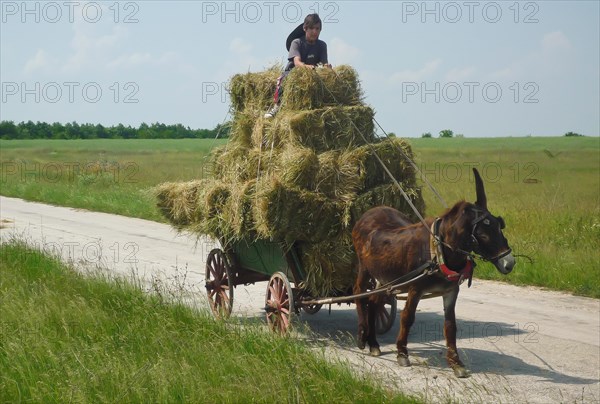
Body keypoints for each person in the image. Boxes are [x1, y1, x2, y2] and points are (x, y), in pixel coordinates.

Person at [264, 13, 332, 118]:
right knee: (283, 79)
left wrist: (327, 67)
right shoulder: (297, 42)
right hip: (294, 72)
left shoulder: (322, 45)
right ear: (305, 28)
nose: (315, 32)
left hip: (314, 74)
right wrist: (307, 67)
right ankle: (276, 107)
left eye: (317, 29)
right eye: (312, 28)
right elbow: (297, 62)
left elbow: (323, 63)